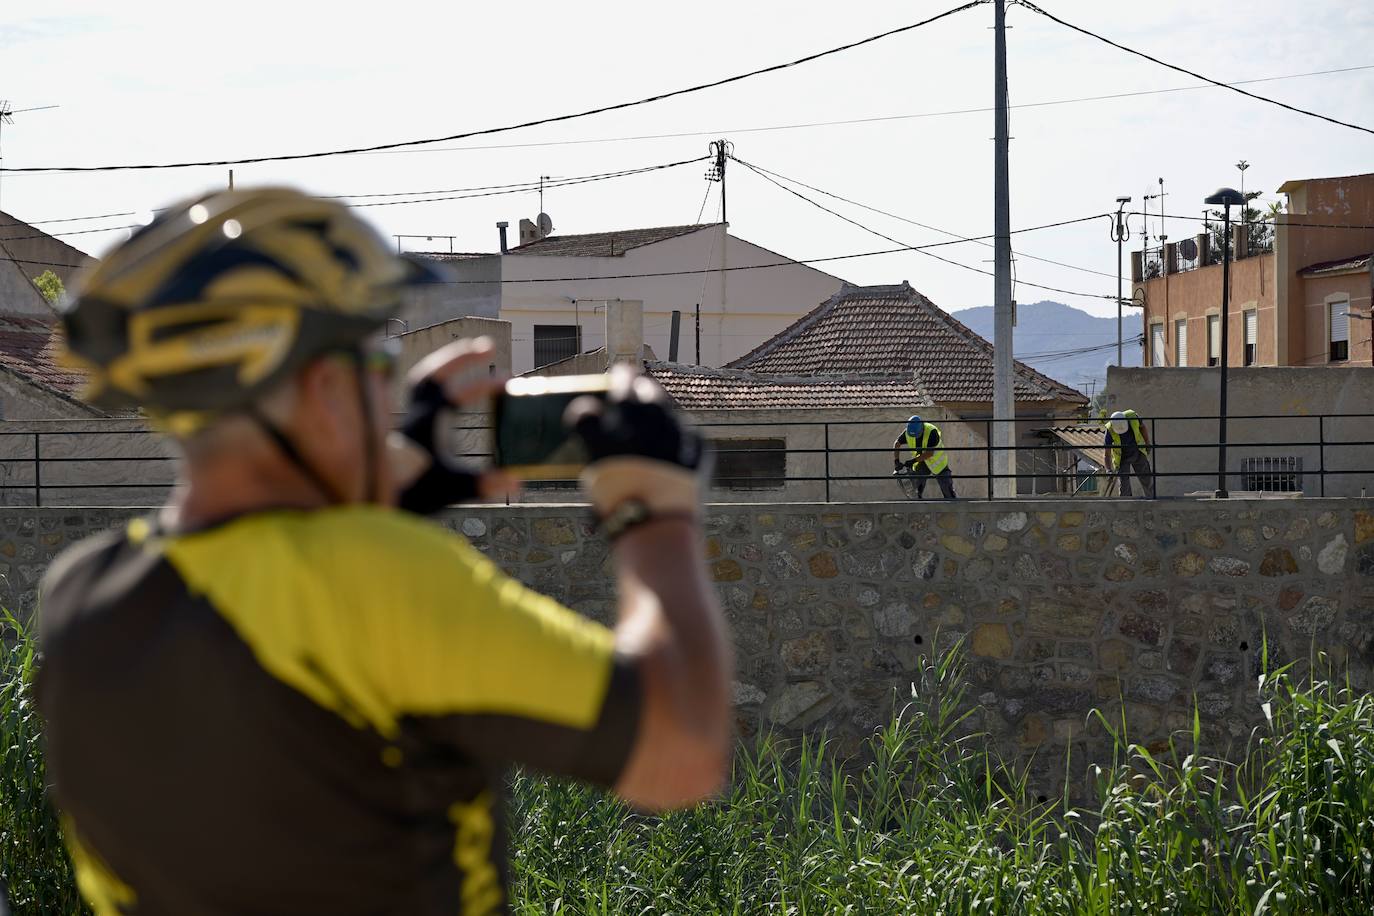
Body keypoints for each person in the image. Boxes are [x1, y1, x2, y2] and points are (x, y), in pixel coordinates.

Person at [35, 188, 731, 916]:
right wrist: (653, 509)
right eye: (378, 358)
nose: (389, 381)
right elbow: (681, 751)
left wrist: (373, 486)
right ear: (325, 388)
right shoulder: (378, 576)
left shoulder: (80, 594)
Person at [891, 415, 956, 499]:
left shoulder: (932, 432)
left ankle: (952, 502)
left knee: (946, 487)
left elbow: (929, 453)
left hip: (938, 462)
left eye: (917, 435)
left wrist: (913, 461)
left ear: (922, 428)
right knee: (916, 485)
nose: (915, 437)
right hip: (921, 461)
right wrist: (896, 461)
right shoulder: (909, 432)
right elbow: (897, 444)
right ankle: (917, 501)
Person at [1104, 408, 1155, 498]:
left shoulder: (1133, 417)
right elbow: (1107, 454)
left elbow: (1142, 427)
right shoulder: (1109, 429)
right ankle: (1126, 503)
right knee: (1124, 485)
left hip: (1137, 450)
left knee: (1146, 478)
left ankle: (1151, 500)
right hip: (1122, 457)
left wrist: (1147, 444)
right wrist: (1108, 470)